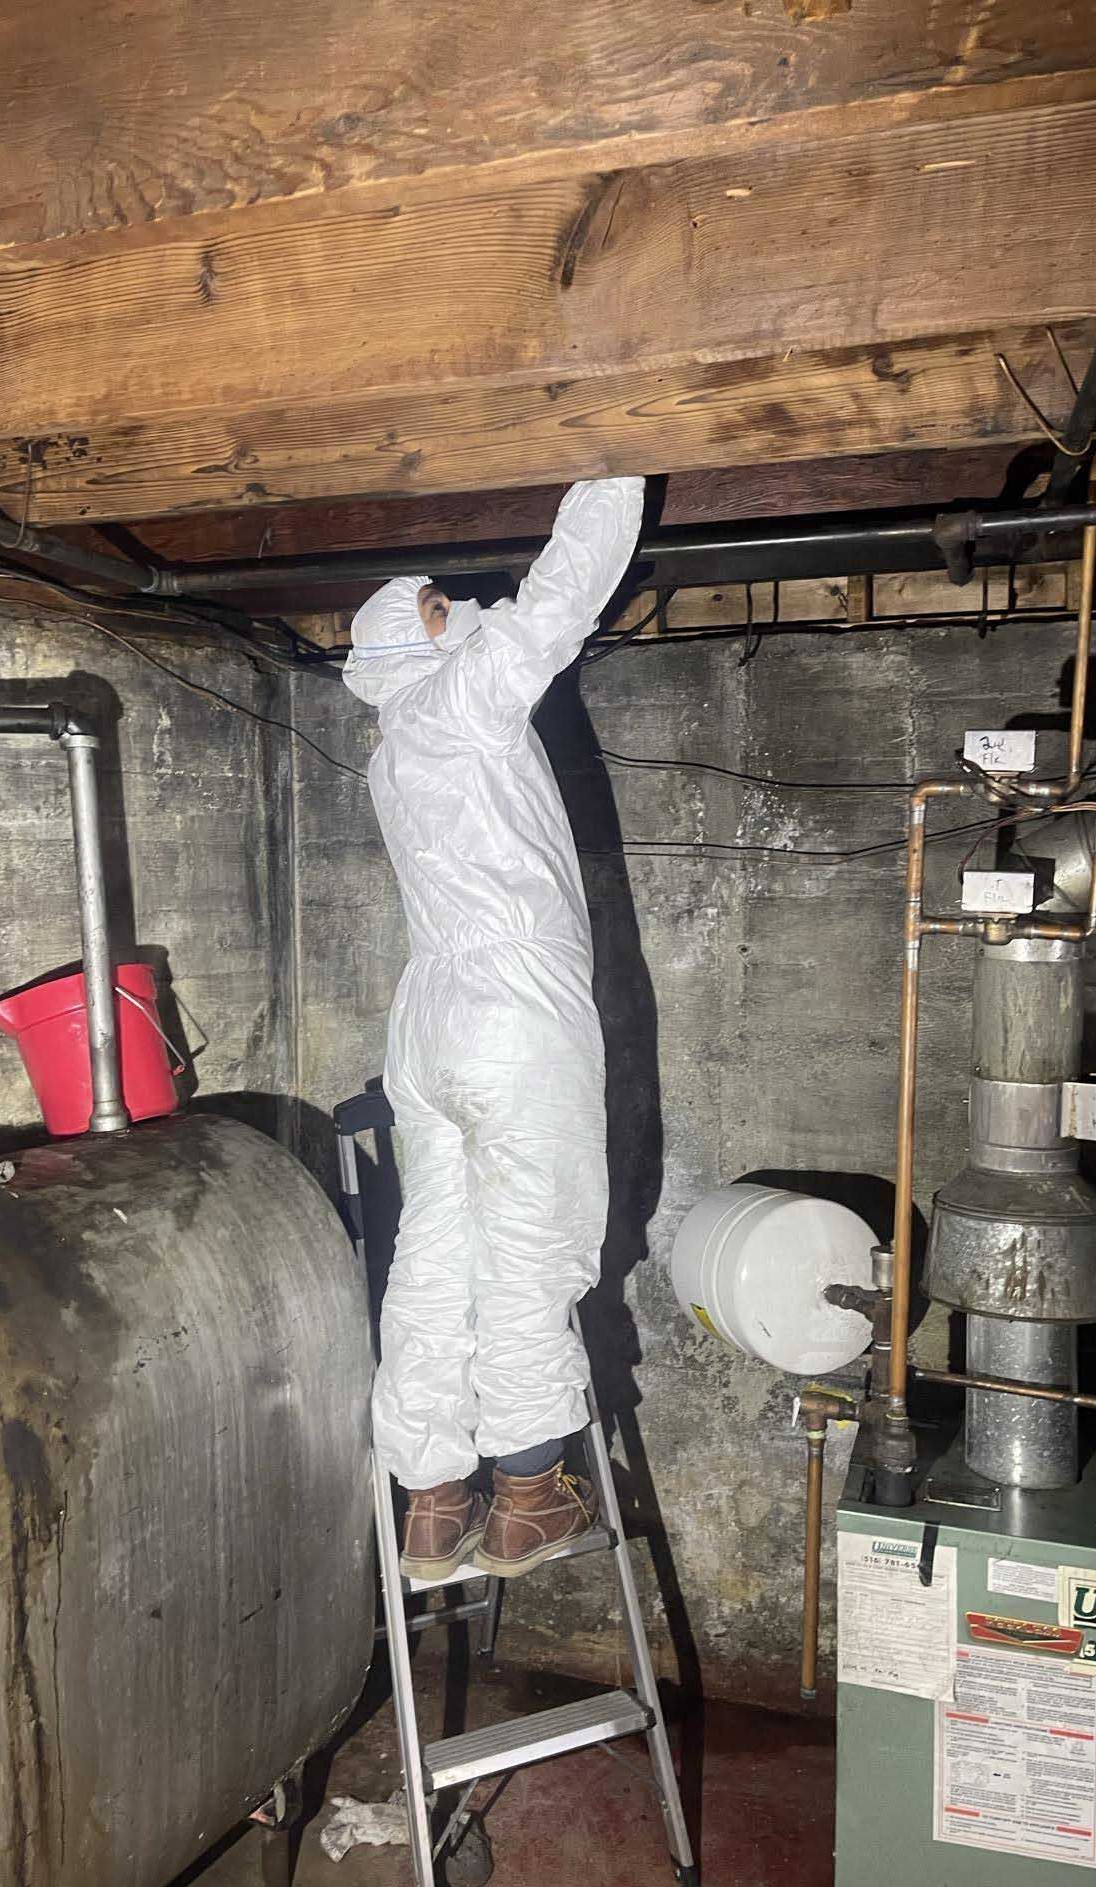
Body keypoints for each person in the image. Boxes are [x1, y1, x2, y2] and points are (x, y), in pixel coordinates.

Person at [343, 475, 644, 1579]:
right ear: (409, 645)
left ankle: (430, 1500)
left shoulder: (389, 753)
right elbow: (557, 599)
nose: (455, 607)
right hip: (513, 1002)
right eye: (433, 606)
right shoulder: (455, 699)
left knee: (435, 1252)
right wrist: (616, 468)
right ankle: (526, 1494)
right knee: (534, 1244)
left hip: (431, 1016)